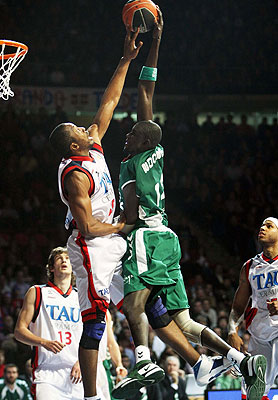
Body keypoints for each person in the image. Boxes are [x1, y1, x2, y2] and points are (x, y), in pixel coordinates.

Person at [112, 8, 267, 400]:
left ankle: (143, 358)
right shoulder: (157, 150)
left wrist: (114, 227)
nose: (127, 135)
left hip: (147, 236)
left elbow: (130, 215)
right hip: (167, 236)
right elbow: (146, 91)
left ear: (142, 140)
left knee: (135, 303)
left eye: (132, 133)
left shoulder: (132, 161)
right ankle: (239, 359)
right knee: (181, 319)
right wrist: (157, 43)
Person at [48, 30, 142, 400]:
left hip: (111, 241)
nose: (83, 124)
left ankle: (149, 359)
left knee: (140, 298)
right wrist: (122, 224)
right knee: (95, 322)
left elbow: (111, 99)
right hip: (88, 246)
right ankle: (90, 396)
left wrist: (126, 59)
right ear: (74, 145)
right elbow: (86, 226)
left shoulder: (94, 144)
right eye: (76, 128)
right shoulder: (74, 175)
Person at [14, 247, 83, 400]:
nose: (64, 260)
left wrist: (83, 361)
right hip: (47, 372)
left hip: (78, 371)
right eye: (59, 258)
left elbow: (91, 335)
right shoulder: (37, 292)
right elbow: (19, 331)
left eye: (68, 258)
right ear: (51, 268)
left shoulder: (82, 298)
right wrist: (43, 342)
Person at [228, 217, 278, 400]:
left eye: (269, 226)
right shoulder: (250, 267)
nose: (263, 228)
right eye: (262, 225)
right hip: (260, 333)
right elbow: (238, 306)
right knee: (253, 392)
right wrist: (232, 331)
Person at [97, 309, 127, 399]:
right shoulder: (77, 304)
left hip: (101, 364)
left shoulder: (105, 312)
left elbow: (111, 343)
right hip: (82, 362)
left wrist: (119, 364)